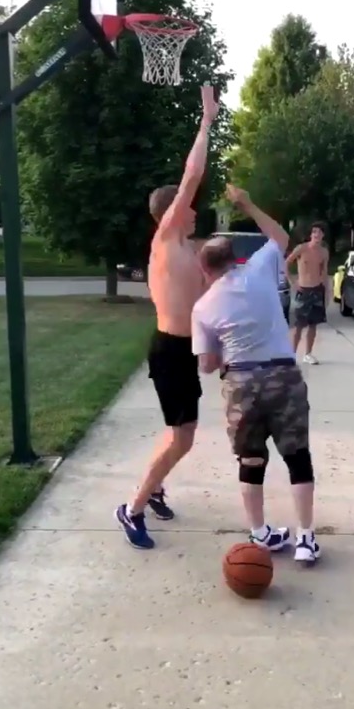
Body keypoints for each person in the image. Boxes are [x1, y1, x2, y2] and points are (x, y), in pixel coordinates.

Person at [114, 84, 219, 550]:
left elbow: (203, 299)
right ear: (171, 212)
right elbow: (192, 173)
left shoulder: (189, 252)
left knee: (183, 436)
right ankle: (131, 509)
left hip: (182, 350)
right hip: (168, 349)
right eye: (185, 205)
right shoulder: (167, 240)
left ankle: (153, 488)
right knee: (183, 438)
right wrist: (206, 121)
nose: (194, 209)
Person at [193, 184, 320, 565]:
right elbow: (280, 235)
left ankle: (260, 533)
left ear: (205, 269)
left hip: (241, 383)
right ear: (236, 258)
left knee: (250, 460)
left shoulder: (203, 307)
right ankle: (306, 540)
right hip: (283, 376)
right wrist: (247, 202)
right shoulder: (261, 268)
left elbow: (207, 365)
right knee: (298, 457)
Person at [286, 223, 331, 364]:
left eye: (319, 232)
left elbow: (324, 273)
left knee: (313, 324)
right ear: (311, 235)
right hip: (303, 289)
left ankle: (308, 354)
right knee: (299, 325)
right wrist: (292, 281)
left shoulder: (324, 252)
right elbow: (286, 263)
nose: (317, 235)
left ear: (323, 235)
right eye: (314, 232)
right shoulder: (302, 248)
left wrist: (327, 292)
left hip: (317, 290)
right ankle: (291, 355)